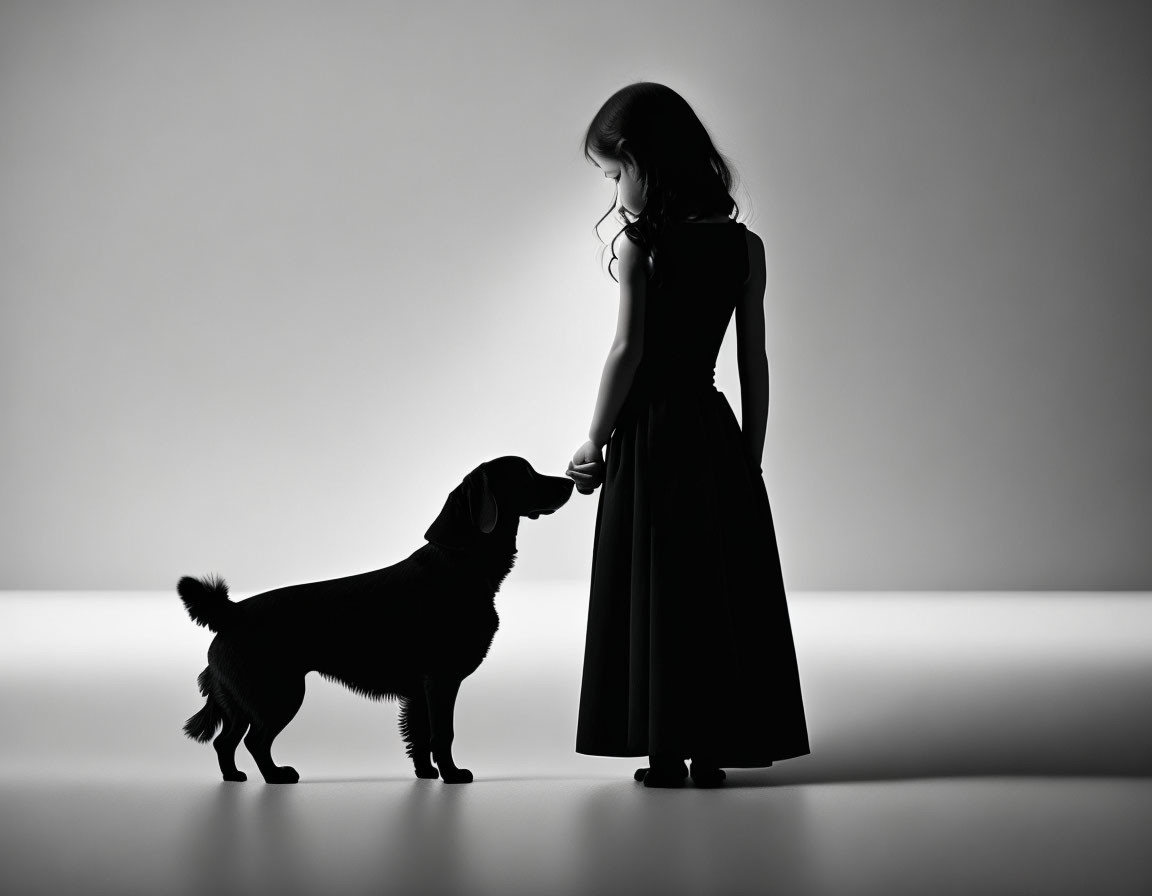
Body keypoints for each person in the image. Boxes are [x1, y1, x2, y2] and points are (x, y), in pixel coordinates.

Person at [565, 82, 810, 788]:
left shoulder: (644, 248)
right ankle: (710, 754)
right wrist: (751, 454)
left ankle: (664, 753)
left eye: (615, 174)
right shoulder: (744, 247)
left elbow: (627, 354)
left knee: (657, 590)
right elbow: (753, 360)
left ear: (644, 164)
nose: (614, 193)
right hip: (712, 433)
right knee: (711, 592)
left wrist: (592, 439)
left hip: (648, 438)